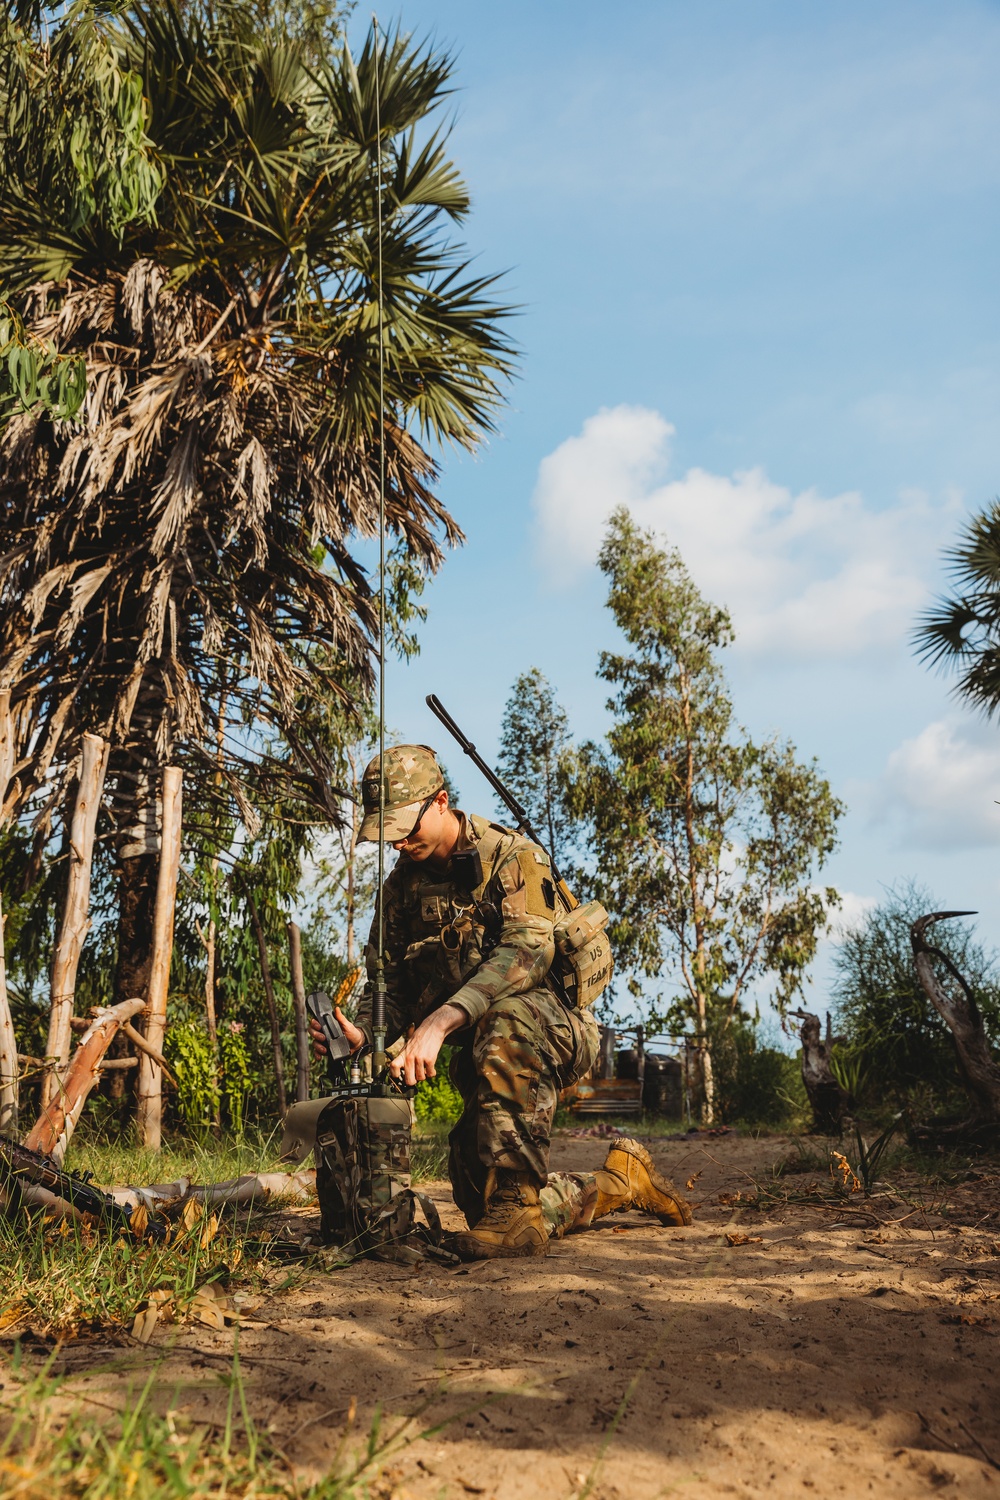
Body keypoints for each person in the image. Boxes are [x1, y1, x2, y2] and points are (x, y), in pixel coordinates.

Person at [310, 744, 692, 1259]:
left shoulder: (512, 857)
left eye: (405, 826)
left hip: (549, 1029)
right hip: (481, 1054)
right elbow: (388, 985)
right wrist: (364, 1034)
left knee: (507, 1018)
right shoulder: (399, 889)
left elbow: (527, 953)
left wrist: (440, 1022)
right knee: (484, 1204)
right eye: (388, 831)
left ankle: (519, 1203)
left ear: (441, 801)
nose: (398, 841)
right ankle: (618, 1183)